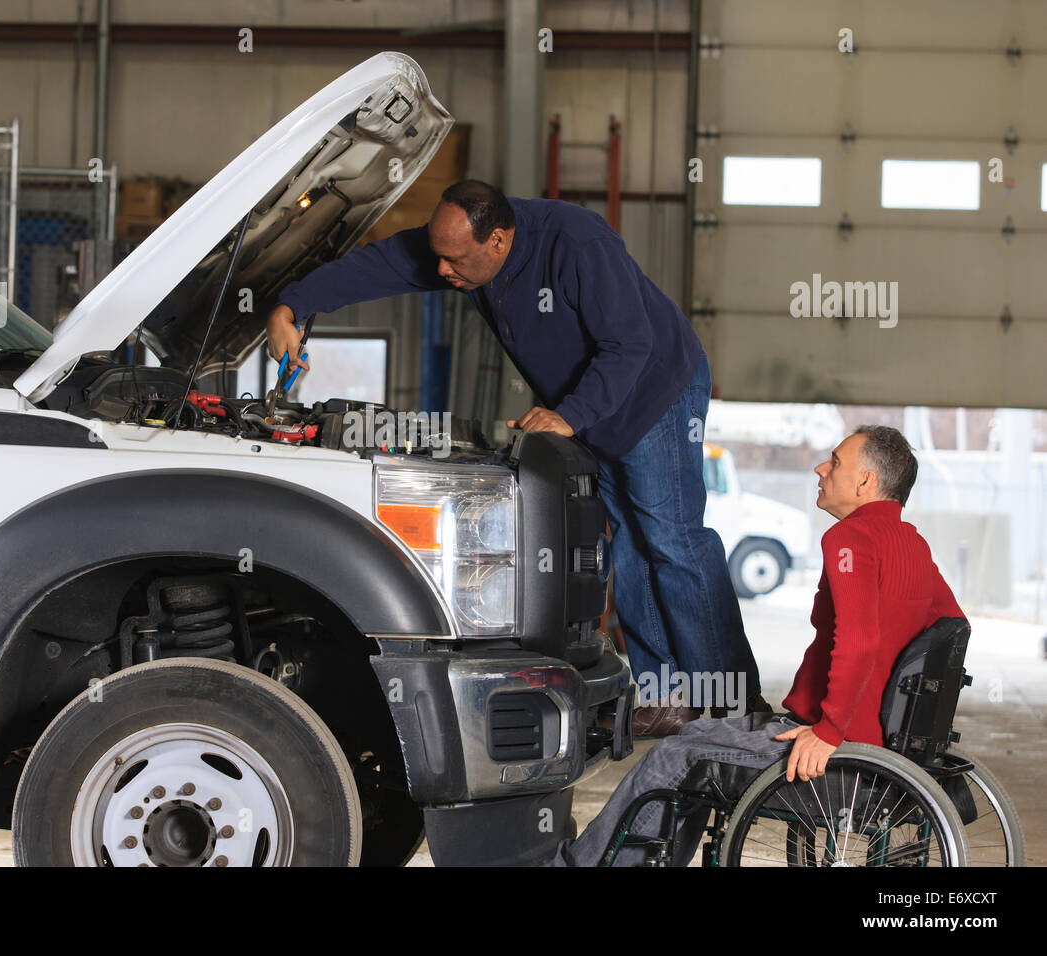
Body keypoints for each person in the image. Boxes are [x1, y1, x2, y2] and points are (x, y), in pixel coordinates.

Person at [267, 180, 763, 731]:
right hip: (594, 402)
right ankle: (668, 697)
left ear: (499, 240)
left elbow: (630, 345)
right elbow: (382, 263)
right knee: (630, 546)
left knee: (671, 539)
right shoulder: (459, 249)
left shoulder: (577, 242)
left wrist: (569, 416)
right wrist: (293, 303)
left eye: (454, 261)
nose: (443, 271)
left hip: (655, 388)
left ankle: (734, 702)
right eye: (438, 257)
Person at [548, 425, 965, 866]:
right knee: (693, 735)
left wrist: (830, 730)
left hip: (840, 747)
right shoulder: (914, 545)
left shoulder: (852, 538)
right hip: (875, 746)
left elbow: (859, 640)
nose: (821, 469)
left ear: (865, 482)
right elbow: (952, 628)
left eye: (836, 462)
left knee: (674, 755)